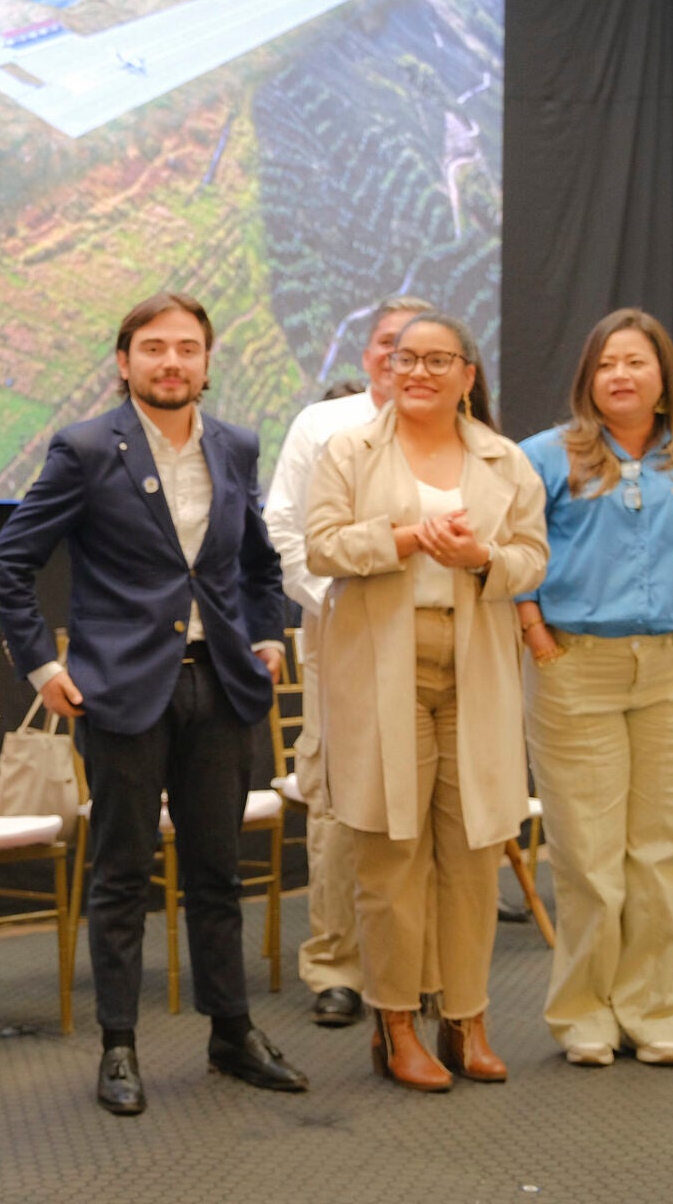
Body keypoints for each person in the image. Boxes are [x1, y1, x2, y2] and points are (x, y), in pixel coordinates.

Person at [0, 292, 306, 1117]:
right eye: (154, 348)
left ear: (206, 363)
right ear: (125, 360)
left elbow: (259, 564)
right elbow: (12, 563)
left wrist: (268, 637)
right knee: (121, 873)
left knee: (215, 872)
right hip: (122, 691)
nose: (172, 362)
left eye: (188, 349)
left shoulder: (235, 445)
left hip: (223, 686)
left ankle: (231, 1032)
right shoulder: (86, 448)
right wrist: (39, 668)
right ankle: (119, 1046)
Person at [517, 309, 673, 1068]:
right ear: (587, 379)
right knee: (588, 857)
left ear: (665, 378)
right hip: (577, 668)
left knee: (663, 851)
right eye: (606, 365)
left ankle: (652, 1007)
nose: (620, 376)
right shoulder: (543, 458)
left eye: (636, 362)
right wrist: (536, 636)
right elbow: (514, 561)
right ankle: (584, 1014)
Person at [305, 312, 546, 1091]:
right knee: (393, 849)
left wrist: (483, 558)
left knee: (475, 849)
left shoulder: (505, 460)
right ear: (386, 367)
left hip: (474, 662)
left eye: (439, 360)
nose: (420, 372)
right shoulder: (349, 449)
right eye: (406, 358)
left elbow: (534, 560)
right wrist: (405, 539)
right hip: (383, 666)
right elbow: (321, 546)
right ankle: (396, 1021)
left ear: (468, 377)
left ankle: (467, 1019)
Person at [262, 294, 432, 1028]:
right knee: (336, 798)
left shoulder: (464, 434)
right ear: (368, 355)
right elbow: (284, 528)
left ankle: (414, 964)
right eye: (390, 345)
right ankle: (335, 964)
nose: (404, 361)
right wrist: (342, 603)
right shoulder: (323, 426)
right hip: (341, 638)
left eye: (424, 350)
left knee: (425, 804)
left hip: (437, 645)